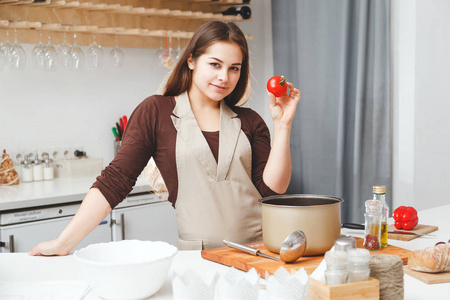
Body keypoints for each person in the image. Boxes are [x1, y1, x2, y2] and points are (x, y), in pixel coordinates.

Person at [29, 20, 301, 255]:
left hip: (256, 253)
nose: (224, 77)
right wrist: (64, 243)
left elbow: (272, 190)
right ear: (192, 60)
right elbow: (115, 181)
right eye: (215, 64)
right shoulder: (156, 112)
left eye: (234, 68)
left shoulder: (249, 120)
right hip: (198, 259)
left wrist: (283, 125)